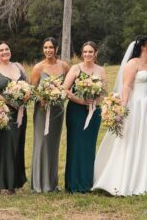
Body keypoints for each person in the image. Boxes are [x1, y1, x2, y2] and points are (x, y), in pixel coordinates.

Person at [92, 36, 147, 196]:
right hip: (135, 105)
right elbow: (126, 87)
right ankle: (127, 179)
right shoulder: (132, 64)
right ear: (142, 46)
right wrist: (121, 110)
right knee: (132, 140)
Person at [0, 41, 28, 192]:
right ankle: (2, 183)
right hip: (2, 112)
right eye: (1, 50)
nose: (5, 52)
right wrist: (8, 101)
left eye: (7, 49)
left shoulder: (19, 66)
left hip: (20, 112)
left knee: (18, 144)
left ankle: (16, 181)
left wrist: (23, 98)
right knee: (5, 145)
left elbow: (27, 87)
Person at [63, 41, 106, 193]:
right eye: (85, 52)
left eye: (90, 52)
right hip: (76, 112)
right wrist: (80, 100)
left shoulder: (101, 70)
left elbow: (103, 93)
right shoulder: (76, 68)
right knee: (75, 146)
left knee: (89, 147)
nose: (87, 54)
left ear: (96, 53)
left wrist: (95, 101)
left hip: (94, 113)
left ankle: (87, 183)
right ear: (82, 53)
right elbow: (65, 89)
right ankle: (73, 183)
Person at [30, 37, 70, 193]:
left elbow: (69, 87)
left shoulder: (64, 66)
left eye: (51, 47)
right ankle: (39, 183)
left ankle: (52, 183)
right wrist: (41, 98)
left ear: (57, 49)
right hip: (42, 111)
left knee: (53, 145)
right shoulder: (38, 68)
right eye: (45, 47)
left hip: (57, 111)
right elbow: (31, 90)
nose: (48, 50)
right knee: (41, 143)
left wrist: (61, 94)